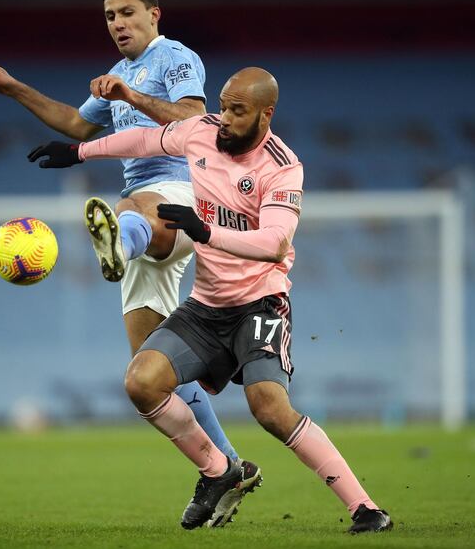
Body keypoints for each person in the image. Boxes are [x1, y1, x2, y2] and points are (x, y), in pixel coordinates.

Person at [27, 67, 394, 533]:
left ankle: (364, 507)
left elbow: (275, 243)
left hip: (260, 304)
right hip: (206, 305)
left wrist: (204, 231)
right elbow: (143, 142)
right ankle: (218, 470)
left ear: (266, 114)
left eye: (238, 111)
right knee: (142, 381)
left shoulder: (282, 166)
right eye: (223, 106)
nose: (225, 119)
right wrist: (80, 151)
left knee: (270, 409)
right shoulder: (201, 132)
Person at [0, 0, 260, 522]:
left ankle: (121, 240)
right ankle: (224, 468)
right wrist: (14, 88)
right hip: (143, 205)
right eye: (110, 16)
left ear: (154, 13)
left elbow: (196, 120)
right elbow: (76, 126)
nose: (118, 24)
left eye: (128, 12)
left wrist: (131, 95)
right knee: (149, 376)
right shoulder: (117, 75)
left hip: (188, 194)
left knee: (132, 208)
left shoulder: (175, 58)